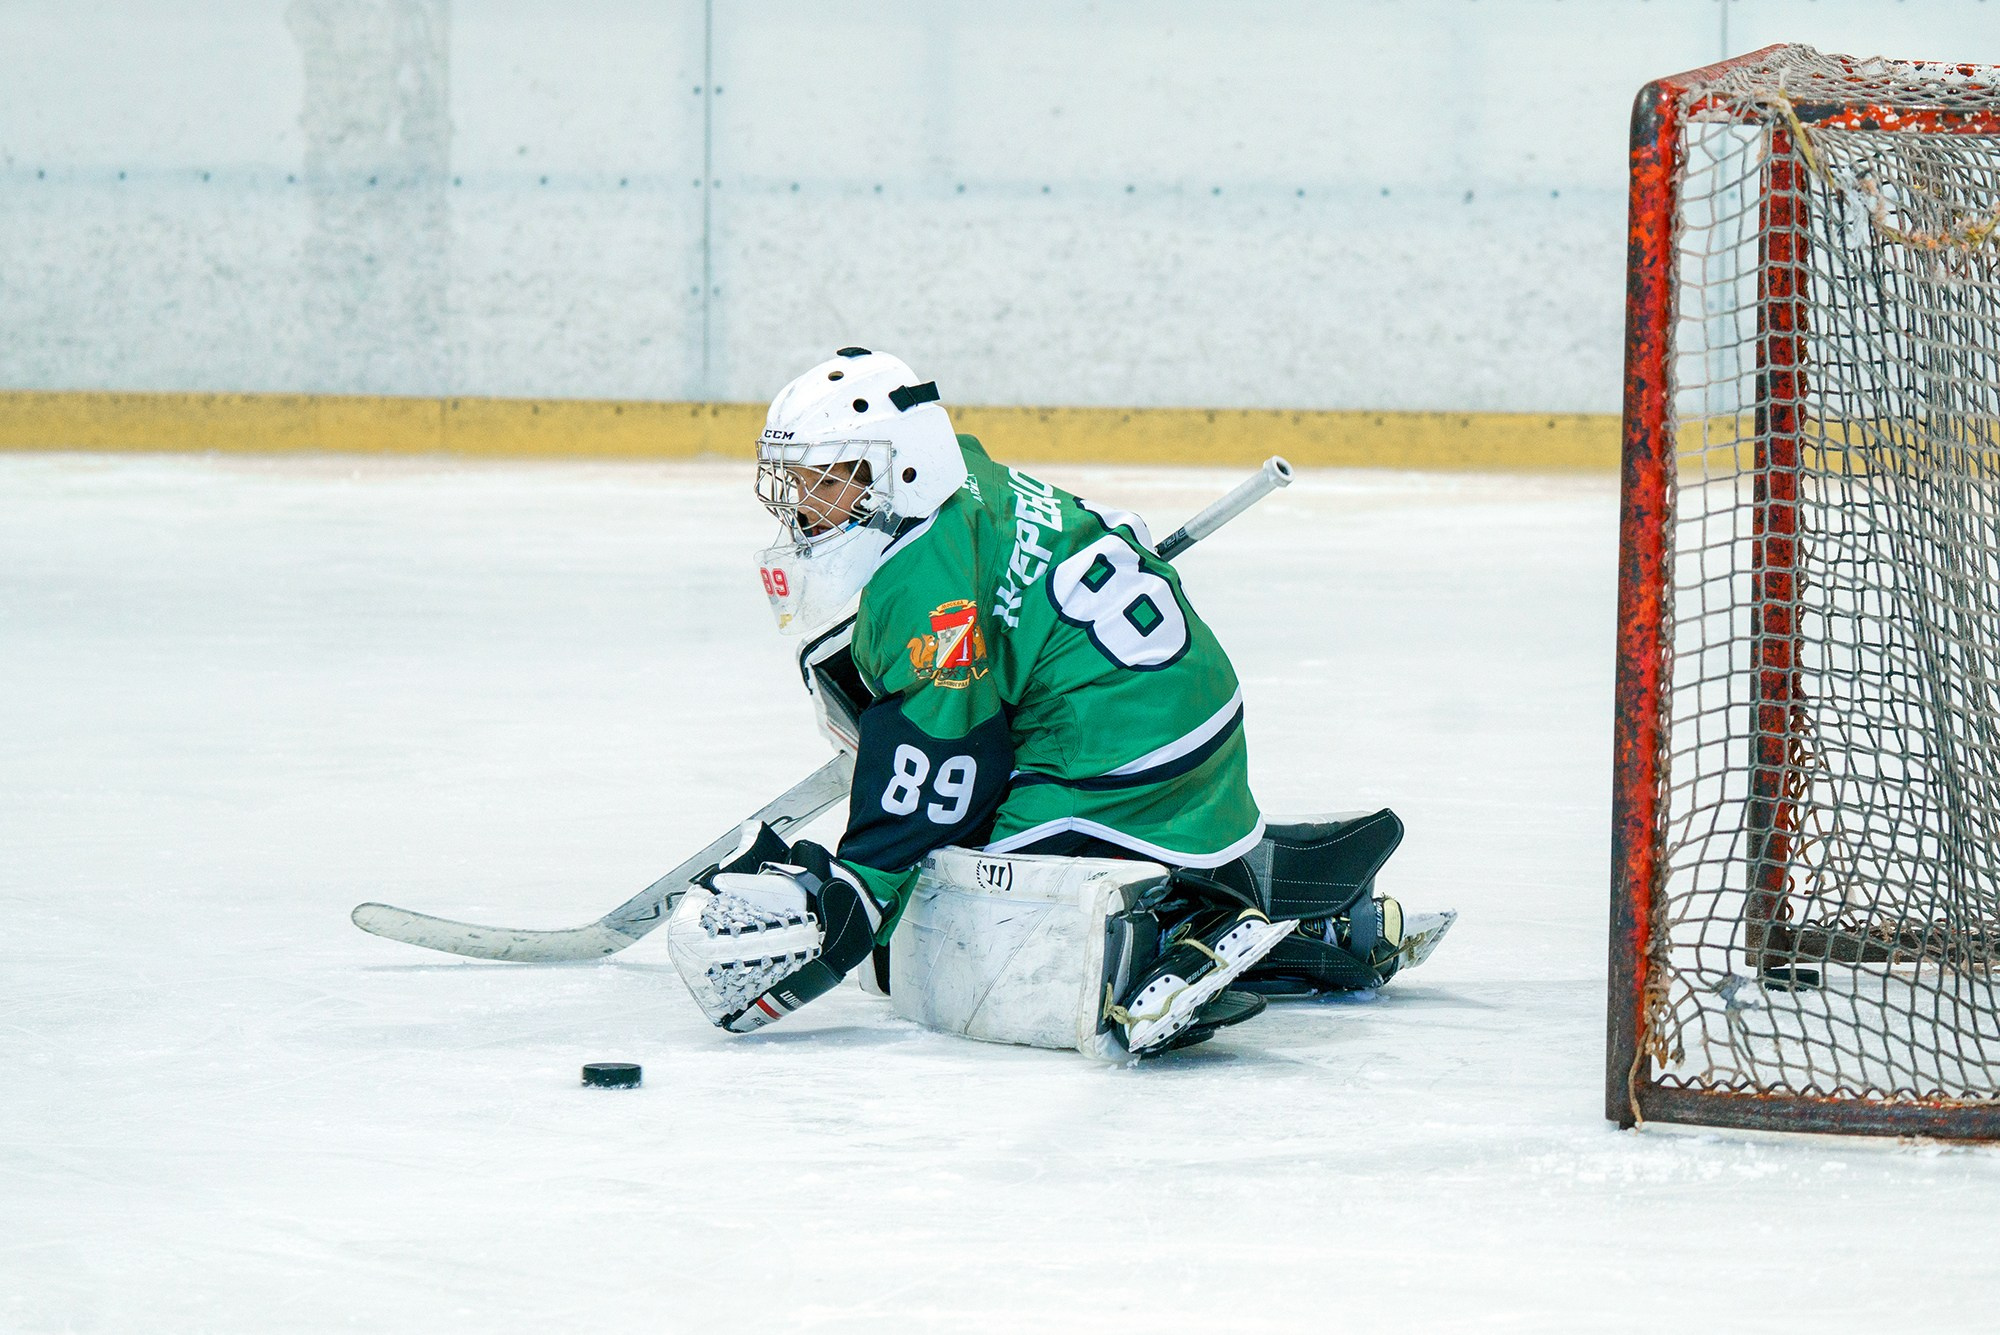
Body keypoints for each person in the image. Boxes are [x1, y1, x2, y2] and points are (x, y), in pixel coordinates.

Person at [665, 349, 1413, 1055]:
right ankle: (1305, 907)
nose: (802, 505)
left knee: (961, 902)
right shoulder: (966, 478)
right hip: (1170, 710)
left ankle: (1192, 920)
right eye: (798, 481)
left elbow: (946, 767)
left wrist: (857, 891)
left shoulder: (927, 591)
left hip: (1124, 742)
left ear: (902, 470)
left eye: (827, 481)